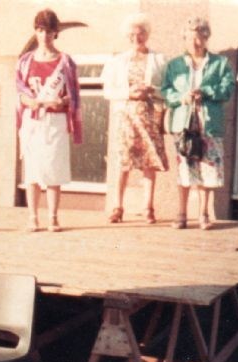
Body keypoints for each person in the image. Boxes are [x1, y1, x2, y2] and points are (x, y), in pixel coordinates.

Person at [162, 17, 235, 230]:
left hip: (209, 125)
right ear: (184, 39)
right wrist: (181, 97)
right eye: (191, 38)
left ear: (206, 38)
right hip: (184, 125)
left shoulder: (220, 63)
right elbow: (166, 91)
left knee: (208, 170)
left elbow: (228, 89)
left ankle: (203, 214)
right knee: (185, 169)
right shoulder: (175, 65)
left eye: (199, 38)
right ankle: (181, 214)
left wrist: (206, 92)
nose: (195, 43)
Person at [15, 8, 82, 232]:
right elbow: (20, 90)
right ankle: (33, 217)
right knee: (32, 170)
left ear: (56, 33)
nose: (44, 35)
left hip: (55, 121)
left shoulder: (65, 62)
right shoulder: (25, 61)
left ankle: (53, 216)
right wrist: (30, 102)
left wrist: (62, 102)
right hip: (33, 120)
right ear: (36, 31)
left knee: (54, 169)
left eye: (49, 31)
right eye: (40, 30)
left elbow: (73, 94)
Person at [102, 13, 169, 224]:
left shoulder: (159, 59)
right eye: (131, 34)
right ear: (126, 36)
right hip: (126, 116)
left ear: (146, 34)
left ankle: (148, 208)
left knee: (149, 161)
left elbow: (169, 90)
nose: (136, 38)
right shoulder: (118, 61)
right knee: (124, 162)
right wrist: (129, 93)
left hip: (150, 115)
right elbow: (108, 91)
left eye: (140, 33)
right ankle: (117, 207)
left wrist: (152, 90)